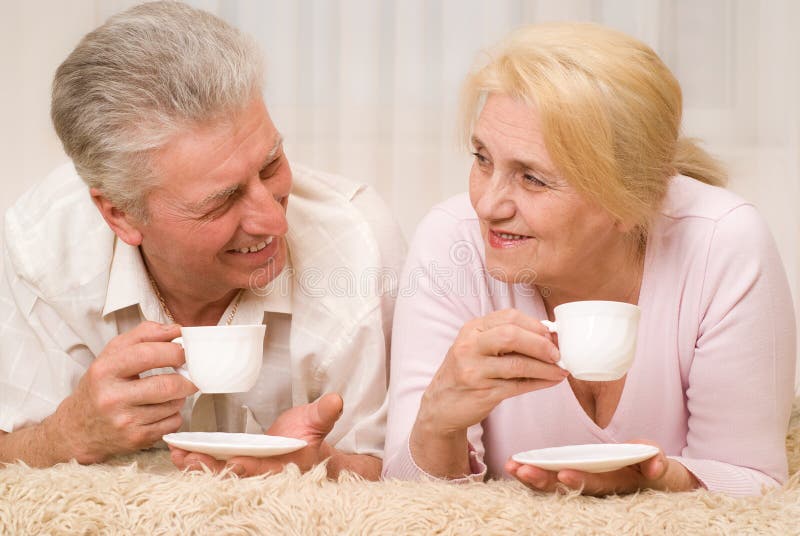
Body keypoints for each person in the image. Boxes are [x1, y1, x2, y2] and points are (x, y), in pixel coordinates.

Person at [382, 22, 796, 496]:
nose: (487, 205)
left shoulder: (723, 243)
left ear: (630, 200)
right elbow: (406, 503)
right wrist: (438, 424)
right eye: (482, 159)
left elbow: (755, 485)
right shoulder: (449, 244)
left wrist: (659, 481)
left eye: (532, 178)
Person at [0, 1, 405, 480]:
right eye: (223, 199)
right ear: (120, 213)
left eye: (271, 164)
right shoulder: (41, 245)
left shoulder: (357, 245)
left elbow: (405, 478)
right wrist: (65, 435)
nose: (273, 221)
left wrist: (317, 468)